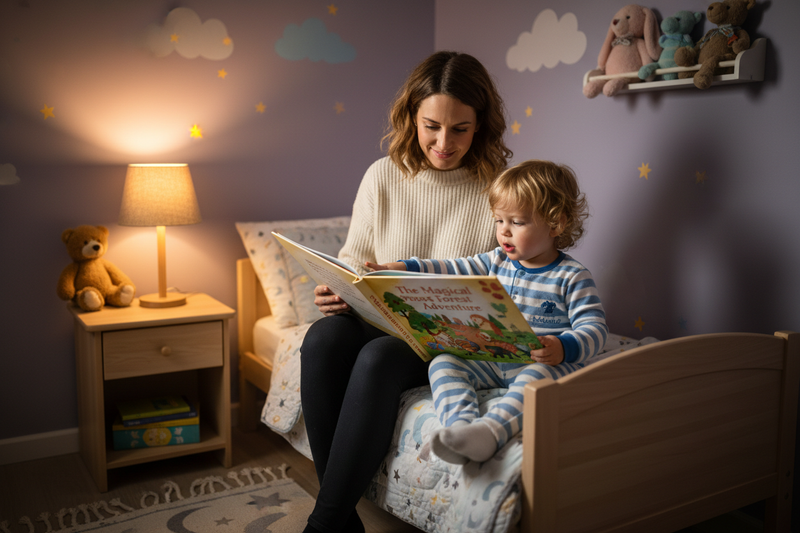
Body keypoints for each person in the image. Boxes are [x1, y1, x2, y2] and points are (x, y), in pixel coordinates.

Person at [300, 50, 513, 533]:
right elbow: (355, 258)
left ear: (481, 125)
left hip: (444, 335)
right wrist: (334, 289)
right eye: (431, 125)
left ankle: (325, 521)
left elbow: (503, 281)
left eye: (460, 128)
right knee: (321, 341)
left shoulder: (497, 188)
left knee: (377, 359)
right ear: (411, 117)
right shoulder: (381, 176)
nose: (443, 142)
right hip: (377, 317)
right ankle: (340, 517)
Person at [367, 159, 608, 465]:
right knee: (445, 362)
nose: (504, 232)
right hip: (495, 358)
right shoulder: (496, 261)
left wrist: (563, 347)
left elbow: (596, 330)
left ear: (556, 224)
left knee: (537, 379)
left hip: (543, 363)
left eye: (517, 223)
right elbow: (452, 268)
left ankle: (490, 433)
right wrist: (405, 267)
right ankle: (459, 431)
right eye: (499, 221)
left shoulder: (572, 276)